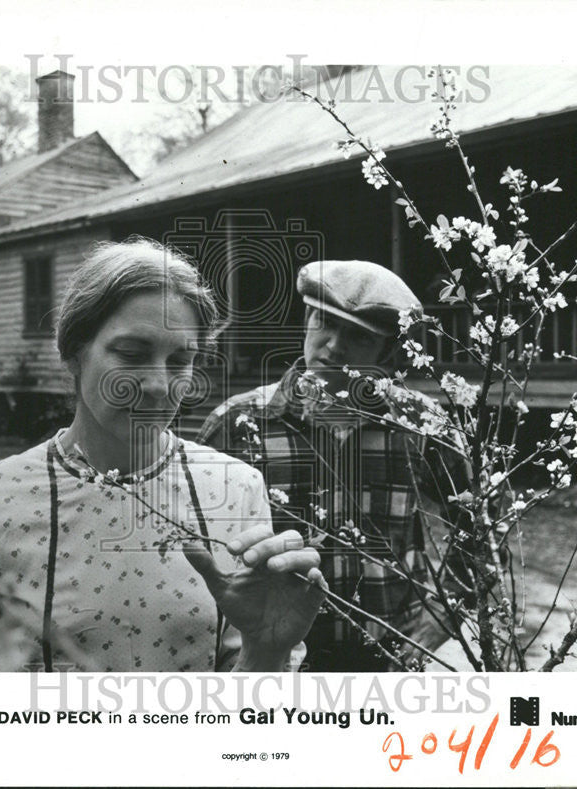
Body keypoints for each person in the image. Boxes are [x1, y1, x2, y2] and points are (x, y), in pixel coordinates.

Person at [0, 239, 324, 672]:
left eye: (180, 360)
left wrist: (265, 652)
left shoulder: (235, 487)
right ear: (73, 351)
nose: (156, 383)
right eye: (131, 354)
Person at [197, 259, 470, 671]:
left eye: (359, 337)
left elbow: (483, 525)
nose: (334, 346)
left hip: (386, 661)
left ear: (388, 351)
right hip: (275, 659)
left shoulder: (420, 425)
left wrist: (441, 617)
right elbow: (200, 549)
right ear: (307, 318)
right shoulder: (238, 424)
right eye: (324, 322)